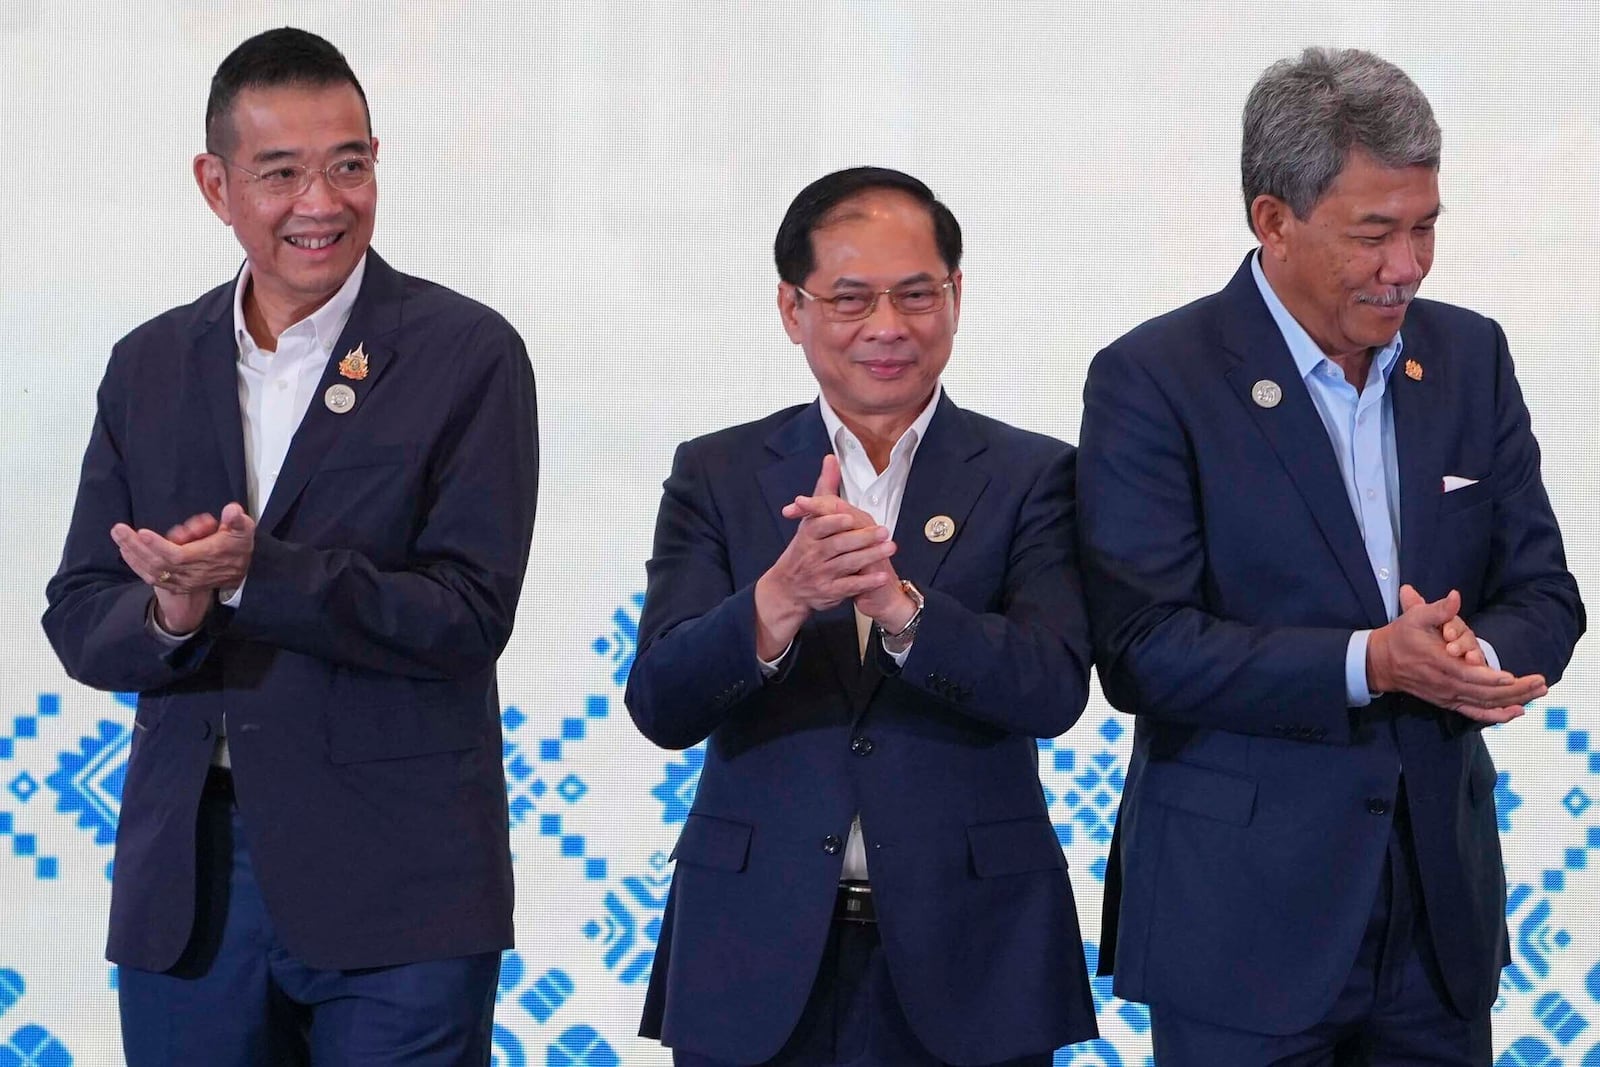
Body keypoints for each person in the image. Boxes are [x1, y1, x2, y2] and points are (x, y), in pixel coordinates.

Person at [1078, 47, 1585, 1065]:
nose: (1407, 265)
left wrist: (1469, 651)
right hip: (1241, 922)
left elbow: (1544, 588)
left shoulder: (1470, 356)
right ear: (1273, 220)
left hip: (1435, 918)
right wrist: (1370, 660)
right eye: (1375, 233)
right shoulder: (1153, 377)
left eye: (1425, 226)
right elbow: (1142, 646)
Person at [42, 27, 538, 1066]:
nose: (323, 201)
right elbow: (82, 608)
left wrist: (258, 576)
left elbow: (468, 614)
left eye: (349, 164)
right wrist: (172, 611)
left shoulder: (466, 353)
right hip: (193, 883)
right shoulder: (150, 363)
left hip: (401, 884)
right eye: (282, 173)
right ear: (215, 185)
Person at [625, 166, 1098, 1066]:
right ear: (791, 309)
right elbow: (660, 700)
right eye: (850, 299)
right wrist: (779, 598)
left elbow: (1052, 687)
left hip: (974, 947)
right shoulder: (717, 473)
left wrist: (902, 608)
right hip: (753, 946)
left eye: (916, 294)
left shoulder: (1036, 473)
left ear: (956, 297)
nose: (887, 326)